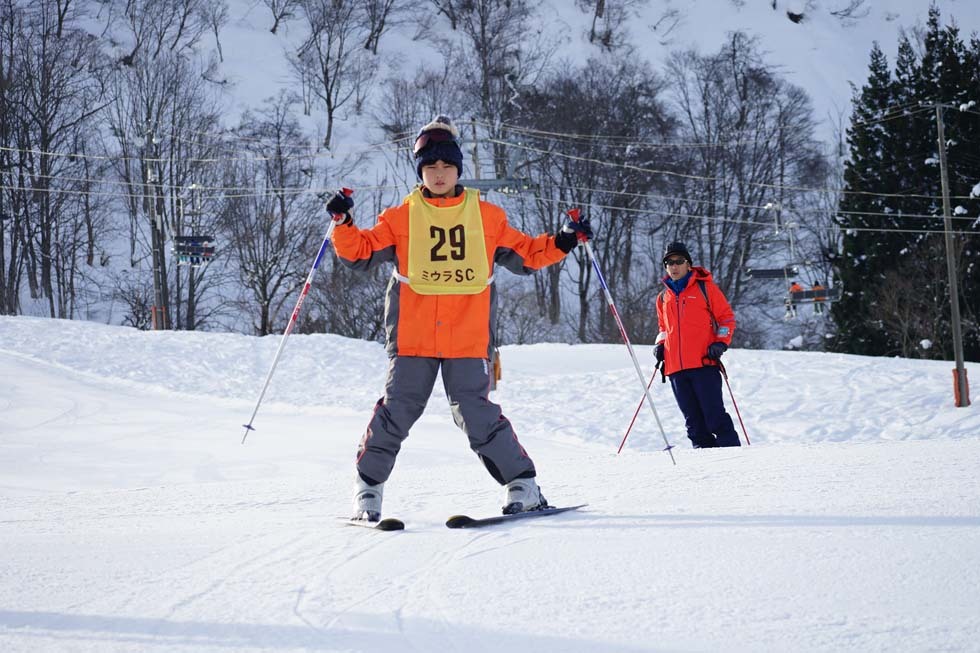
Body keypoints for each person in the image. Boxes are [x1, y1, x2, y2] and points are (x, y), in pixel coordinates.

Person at [327, 115, 594, 522]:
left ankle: (523, 487)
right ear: (420, 171)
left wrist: (564, 240)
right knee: (396, 411)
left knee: (477, 414)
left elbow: (527, 254)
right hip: (414, 337)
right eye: (430, 167)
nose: (439, 174)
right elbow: (360, 252)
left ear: (458, 170)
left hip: (467, 338)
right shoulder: (400, 217)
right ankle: (368, 490)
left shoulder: (487, 217)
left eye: (446, 166)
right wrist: (344, 224)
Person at [654, 242, 740, 448]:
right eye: (669, 262)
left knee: (715, 418)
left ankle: (734, 458)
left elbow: (726, 319)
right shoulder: (663, 297)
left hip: (703, 364)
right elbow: (663, 327)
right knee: (694, 424)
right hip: (676, 369)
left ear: (688, 264)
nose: (674, 266)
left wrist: (720, 342)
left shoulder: (705, 288)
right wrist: (661, 344)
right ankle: (705, 462)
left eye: (679, 261)